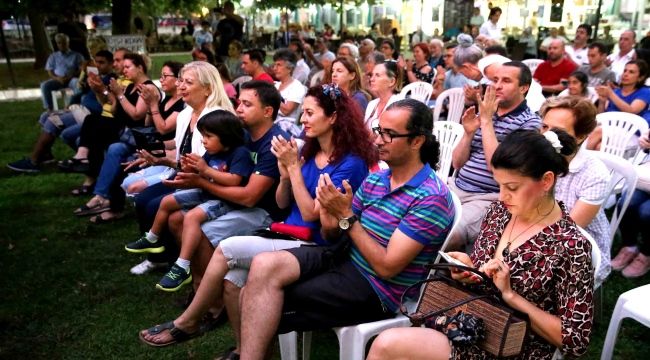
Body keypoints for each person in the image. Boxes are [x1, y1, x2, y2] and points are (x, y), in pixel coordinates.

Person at [138, 85, 377, 354]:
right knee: (233, 280)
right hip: (286, 231)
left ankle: (189, 321)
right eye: (304, 113)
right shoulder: (311, 153)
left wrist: (294, 170)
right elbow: (282, 202)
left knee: (227, 249)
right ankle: (244, 350)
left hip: (315, 243)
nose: (302, 119)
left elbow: (312, 214)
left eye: (310, 113)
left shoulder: (351, 163)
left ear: (333, 117)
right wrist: (285, 177)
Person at [237, 99, 454, 359]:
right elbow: (335, 234)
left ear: (417, 141)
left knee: (257, 298)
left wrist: (346, 216)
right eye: (378, 130)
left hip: (378, 288)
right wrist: (331, 218)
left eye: (389, 134)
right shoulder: (377, 179)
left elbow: (386, 267)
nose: (378, 140)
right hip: (342, 258)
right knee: (262, 267)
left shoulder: (430, 197)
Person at [368, 129, 593, 360]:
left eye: (512, 188)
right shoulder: (499, 213)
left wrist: (511, 296)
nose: (502, 196)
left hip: (514, 349)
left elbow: (574, 341)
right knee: (386, 345)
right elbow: (483, 273)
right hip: (469, 325)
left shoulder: (570, 246)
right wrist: (469, 269)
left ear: (546, 180)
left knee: (387, 345)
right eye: (499, 186)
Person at [127, 110, 254, 292]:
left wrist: (205, 170)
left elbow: (235, 180)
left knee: (192, 217)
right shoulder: (212, 152)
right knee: (167, 201)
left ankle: (182, 264)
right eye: (203, 136)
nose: (204, 141)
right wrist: (190, 168)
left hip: (225, 200)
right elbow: (199, 170)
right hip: (207, 191)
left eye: (209, 136)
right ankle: (152, 238)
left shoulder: (239, 153)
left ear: (226, 136)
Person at [128, 61, 236, 274]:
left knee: (154, 205)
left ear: (208, 88)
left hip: (203, 180)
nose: (181, 86)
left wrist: (165, 161)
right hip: (182, 172)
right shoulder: (187, 113)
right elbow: (180, 145)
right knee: (142, 199)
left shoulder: (217, 117)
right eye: (181, 81)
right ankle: (158, 256)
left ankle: (171, 261)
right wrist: (156, 151)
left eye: (188, 82)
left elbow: (205, 164)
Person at [450, 61, 542, 249]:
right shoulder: (485, 114)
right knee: (416, 216)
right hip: (455, 186)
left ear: (524, 88)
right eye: (495, 79)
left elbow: (498, 167)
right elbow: (457, 163)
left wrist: (486, 122)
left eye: (506, 81)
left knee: (448, 234)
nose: (497, 85)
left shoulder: (529, 123)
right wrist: (468, 134)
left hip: (487, 198)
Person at [65, 53, 154, 220]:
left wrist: (119, 94)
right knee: (111, 147)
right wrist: (101, 90)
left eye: (128, 67)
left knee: (98, 134)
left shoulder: (147, 88)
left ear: (140, 68)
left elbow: (136, 115)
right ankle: (101, 196)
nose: (124, 70)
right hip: (123, 136)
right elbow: (112, 108)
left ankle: (95, 185)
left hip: (136, 138)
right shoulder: (129, 87)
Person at [539, 96, 611, 285]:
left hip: (577, 246)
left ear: (580, 136)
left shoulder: (595, 174)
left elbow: (568, 230)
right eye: (545, 127)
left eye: (557, 131)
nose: (546, 136)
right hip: (536, 228)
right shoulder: (537, 156)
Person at [8, 50, 114, 173]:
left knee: (53, 121)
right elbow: (81, 93)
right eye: (96, 62)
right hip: (80, 108)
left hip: (90, 114)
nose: (98, 65)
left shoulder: (110, 79)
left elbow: (105, 103)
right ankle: (46, 155)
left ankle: (33, 161)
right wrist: (83, 81)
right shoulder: (97, 76)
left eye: (102, 62)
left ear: (111, 64)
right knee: (45, 116)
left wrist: (98, 89)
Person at [120, 61, 186, 196]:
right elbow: (148, 126)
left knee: (119, 152)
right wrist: (150, 106)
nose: (161, 79)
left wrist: (154, 104)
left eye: (165, 76)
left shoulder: (182, 104)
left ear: (178, 79)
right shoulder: (167, 100)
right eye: (160, 76)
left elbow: (163, 128)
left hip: (169, 153)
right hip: (157, 147)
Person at [610, 131, 650, 278]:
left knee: (647, 213)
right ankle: (630, 246)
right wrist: (645, 141)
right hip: (647, 179)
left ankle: (646, 254)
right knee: (626, 202)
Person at [588, 60, 650, 149]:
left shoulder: (645, 92)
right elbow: (602, 117)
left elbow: (632, 110)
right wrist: (602, 101)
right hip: (609, 131)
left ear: (640, 77)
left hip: (631, 134)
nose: (625, 74)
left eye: (631, 72)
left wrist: (610, 94)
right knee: (599, 147)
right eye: (625, 70)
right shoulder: (616, 92)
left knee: (598, 132)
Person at [40, 33, 84, 111]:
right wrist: (57, 78)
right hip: (58, 80)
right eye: (59, 43)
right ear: (57, 44)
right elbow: (50, 71)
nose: (62, 45)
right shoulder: (53, 56)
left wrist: (71, 76)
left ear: (68, 43)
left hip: (72, 79)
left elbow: (82, 69)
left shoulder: (77, 55)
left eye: (64, 42)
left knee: (78, 83)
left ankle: (74, 105)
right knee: (44, 85)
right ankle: (50, 108)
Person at [272, 49, 307, 137]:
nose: (275, 68)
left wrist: (272, 93)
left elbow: (286, 111)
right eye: (274, 65)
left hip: (285, 129)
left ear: (289, 69)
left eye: (279, 65)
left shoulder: (297, 87)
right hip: (270, 123)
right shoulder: (276, 85)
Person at [364, 60, 404, 130]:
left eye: (377, 75)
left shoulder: (399, 105)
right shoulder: (372, 104)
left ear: (391, 81)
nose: (371, 79)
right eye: (372, 75)